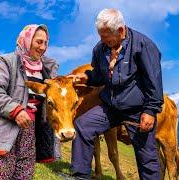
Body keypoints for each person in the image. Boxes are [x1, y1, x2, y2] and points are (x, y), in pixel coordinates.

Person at [70, 9, 164, 180]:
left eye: (106, 36)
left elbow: (154, 81)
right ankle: (80, 176)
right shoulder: (100, 49)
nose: (102, 40)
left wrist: (150, 111)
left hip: (137, 109)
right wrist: (85, 77)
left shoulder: (143, 45)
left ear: (121, 30)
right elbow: (99, 75)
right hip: (110, 107)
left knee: (146, 155)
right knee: (83, 126)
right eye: (100, 35)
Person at [0, 24, 59, 179]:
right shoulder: (4, 62)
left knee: (23, 176)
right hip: (1, 132)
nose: (43, 47)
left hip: (28, 136)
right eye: (39, 42)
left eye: (46, 43)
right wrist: (16, 110)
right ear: (26, 39)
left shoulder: (45, 72)